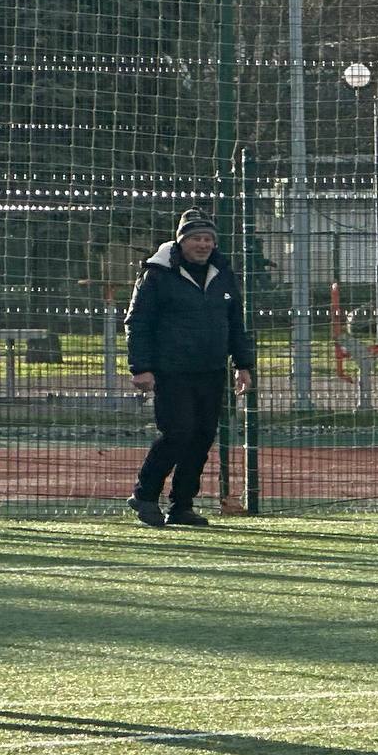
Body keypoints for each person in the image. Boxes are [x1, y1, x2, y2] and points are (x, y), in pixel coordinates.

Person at [125, 210, 255, 529]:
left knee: (201, 437)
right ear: (181, 240)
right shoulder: (156, 275)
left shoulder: (222, 273)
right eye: (197, 238)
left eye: (208, 238)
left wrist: (243, 364)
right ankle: (144, 494)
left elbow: (235, 322)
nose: (203, 244)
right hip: (171, 371)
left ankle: (182, 505)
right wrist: (141, 368)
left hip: (212, 370)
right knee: (177, 433)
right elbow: (137, 324)